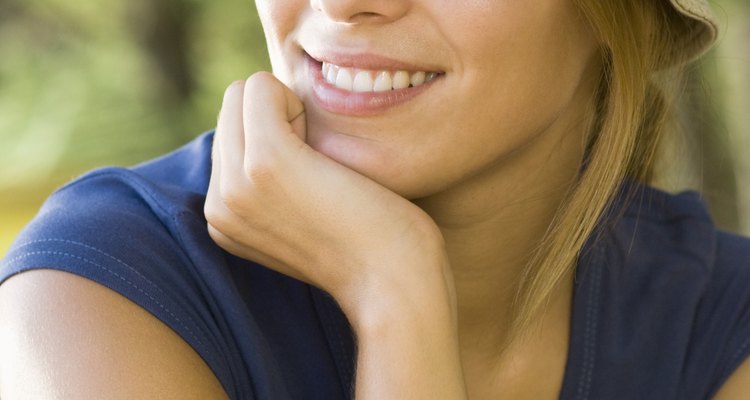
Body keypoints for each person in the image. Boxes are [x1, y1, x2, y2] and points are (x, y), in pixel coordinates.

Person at [1, 0, 748, 398]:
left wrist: (396, 305)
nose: (345, 1)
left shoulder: (724, 330)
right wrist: (397, 287)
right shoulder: (94, 292)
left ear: (630, 14)